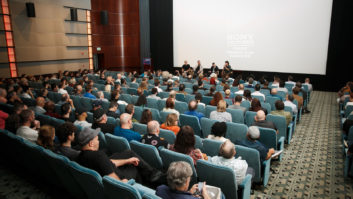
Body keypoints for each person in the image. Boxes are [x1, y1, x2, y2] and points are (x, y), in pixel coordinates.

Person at [76, 127, 165, 185]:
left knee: (129, 154)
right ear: (91, 143)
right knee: (134, 166)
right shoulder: (99, 155)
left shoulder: (80, 156)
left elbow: (107, 163)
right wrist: (124, 183)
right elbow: (114, 182)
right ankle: (150, 181)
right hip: (120, 181)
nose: (98, 141)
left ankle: (151, 175)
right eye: (97, 139)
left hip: (103, 176)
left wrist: (128, 160)